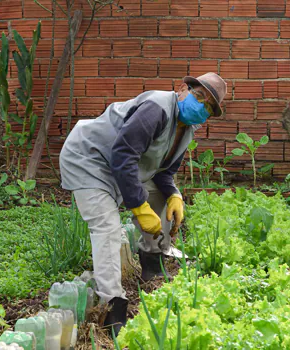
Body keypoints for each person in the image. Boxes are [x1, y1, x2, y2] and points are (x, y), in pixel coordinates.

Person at [59, 72, 227, 335]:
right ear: (182, 88)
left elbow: (163, 172)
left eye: (208, 107)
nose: (202, 107)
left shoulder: (186, 130)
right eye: (199, 97)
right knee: (107, 227)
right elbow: (123, 153)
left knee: (160, 195)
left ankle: (152, 262)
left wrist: (175, 194)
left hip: (121, 166)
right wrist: (139, 206)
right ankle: (112, 306)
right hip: (90, 159)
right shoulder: (156, 108)